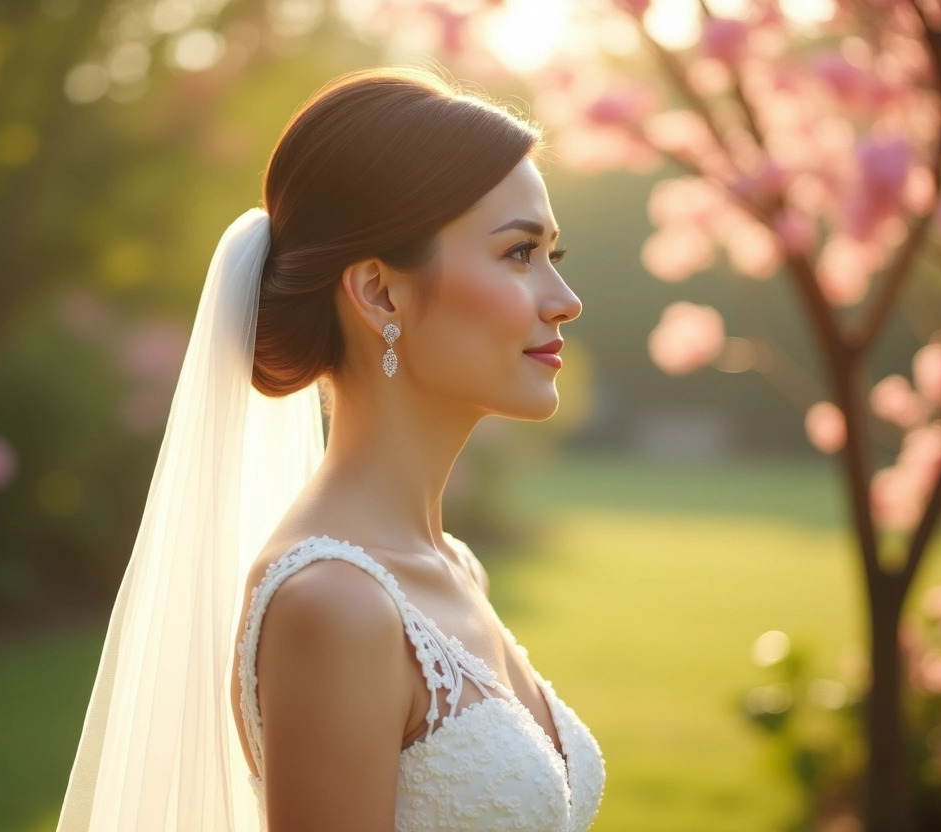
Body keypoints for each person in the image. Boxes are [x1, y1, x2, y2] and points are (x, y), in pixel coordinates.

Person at [56, 66, 604, 832]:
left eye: (555, 255)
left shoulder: (452, 565)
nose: (563, 298)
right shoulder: (336, 607)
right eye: (519, 254)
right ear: (380, 293)